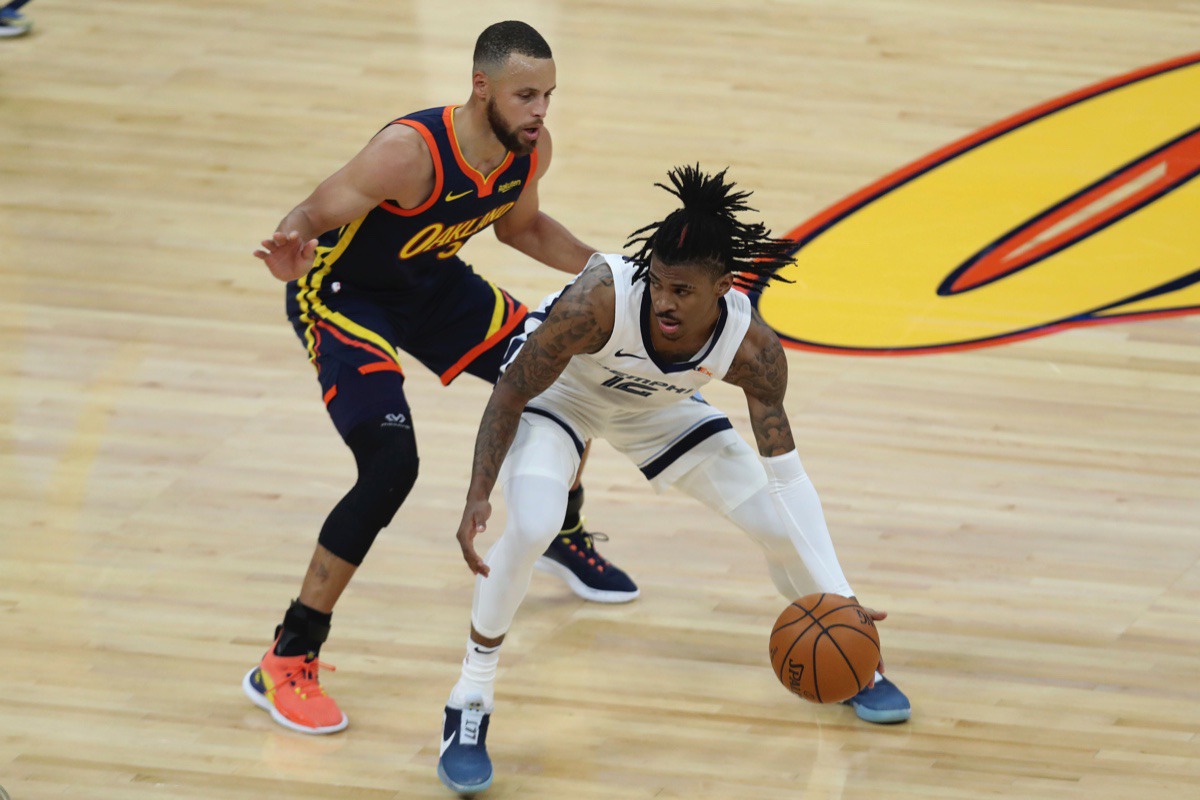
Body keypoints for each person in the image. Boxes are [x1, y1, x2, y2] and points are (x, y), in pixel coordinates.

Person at [437, 165, 912, 794]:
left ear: (723, 287)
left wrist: (841, 596)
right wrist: (477, 493)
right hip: (563, 397)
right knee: (532, 524)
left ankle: (854, 659)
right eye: (658, 283)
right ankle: (470, 699)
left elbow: (788, 478)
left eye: (683, 291)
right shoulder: (599, 300)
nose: (664, 300)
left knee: (779, 528)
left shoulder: (753, 350)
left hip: (656, 410)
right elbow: (512, 392)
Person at [244, 21, 638, 737]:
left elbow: (521, 229)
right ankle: (287, 657)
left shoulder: (527, 149)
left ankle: (559, 530)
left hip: (430, 283)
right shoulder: (408, 152)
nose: (540, 111)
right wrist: (290, 246)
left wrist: (609, 273)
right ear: (480, 87)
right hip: (342, 294)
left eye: (549, 95)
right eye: (526, 95)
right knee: (391, 465)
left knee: (564, 370)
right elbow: (313, 211)